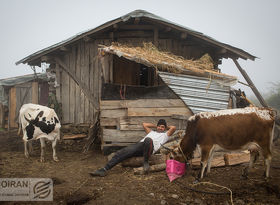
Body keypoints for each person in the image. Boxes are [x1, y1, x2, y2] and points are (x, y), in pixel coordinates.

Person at [89, 119, 176, 177]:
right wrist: (156, 125)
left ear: (165, 128)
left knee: (148, 140)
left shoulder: (165, 135)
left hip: (149, 149)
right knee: (122, 152)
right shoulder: (151, 132)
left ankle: (145, 162)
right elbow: (144, 124)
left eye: (162, 127)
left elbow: (173, 127)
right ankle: (104, 169)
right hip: (139, 146)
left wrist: (165, 126)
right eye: (159, 126)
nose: (160, 128)